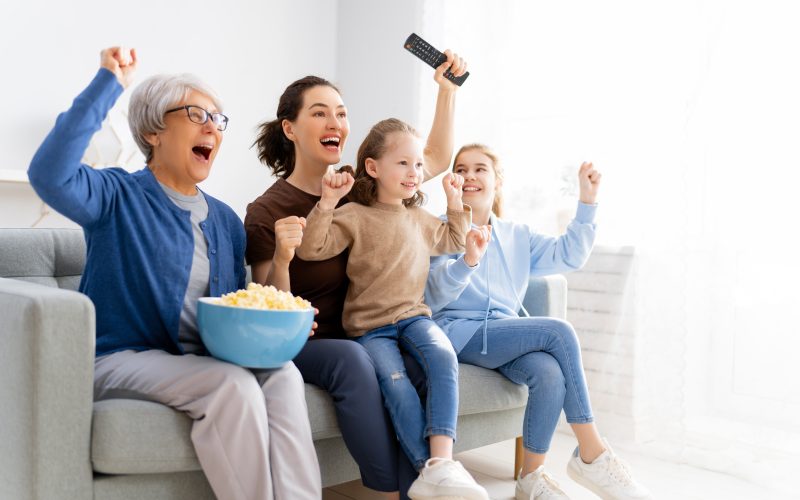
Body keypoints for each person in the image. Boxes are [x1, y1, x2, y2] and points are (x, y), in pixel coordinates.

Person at [27, 47, 320, 500]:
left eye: (219, 120)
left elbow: (234, 311)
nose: (212, 128)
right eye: (196, 114)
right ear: (153, 130)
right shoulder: (116, 194)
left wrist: (278, 322)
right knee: (232, 385)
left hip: (197, 362)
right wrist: (109, 84)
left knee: (282, 375)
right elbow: (49, 174)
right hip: (118, 358)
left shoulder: (224, 220)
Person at [244, 52, 467, 499]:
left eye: (341, 114)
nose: (335, 123)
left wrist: (446, 91)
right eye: (320, 113)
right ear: (290, 129)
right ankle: (397, 489)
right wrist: (286, 256)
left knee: (420, 364)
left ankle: (435, 480)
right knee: (354, 361)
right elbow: (269, 306)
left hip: (370, 330)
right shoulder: (266, 210)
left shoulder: (355, 189)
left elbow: (432, 158)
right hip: (308, 340)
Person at [425, 144, 653, 500]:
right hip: (459, 332)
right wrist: (467, 259)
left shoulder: (517, 235)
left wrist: (587, 202)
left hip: (502, 334)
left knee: (548, 371)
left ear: (496, 181)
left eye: (480, 169)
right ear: (452, 180)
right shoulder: (439, 230)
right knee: (558, 331)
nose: (470, 176)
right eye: (462, 169)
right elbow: (434, 297)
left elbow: (569, 255)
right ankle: (592, 453)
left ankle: (531, 479)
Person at [296, 118, 489, 500]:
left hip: (415, 318)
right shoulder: (353, 215)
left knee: (443, 358)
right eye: (403, 163)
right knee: (396, 385)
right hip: (370, 329)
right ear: (373, 167)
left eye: (419, 165)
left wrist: (455, 204)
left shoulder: (418, 218)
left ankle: (442, 462)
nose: (414, 173)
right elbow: (311, 248)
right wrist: (328, 203)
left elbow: (451, 239)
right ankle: (427, 471)